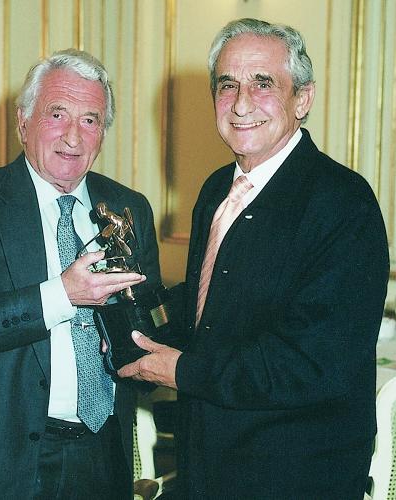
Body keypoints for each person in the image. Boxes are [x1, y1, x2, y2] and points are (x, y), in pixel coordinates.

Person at [118, 18, 390, 499]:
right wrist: (129, 317)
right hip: (208, 464)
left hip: (295, 476)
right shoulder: (216, 190)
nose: (241, 104)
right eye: (228, 85)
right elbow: (212, 307)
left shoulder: (342, 202)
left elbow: (316, 362)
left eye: (263, 83)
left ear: (302, 99)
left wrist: (182, 371)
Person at [0, 49, 161, 499]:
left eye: (90, 120)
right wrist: (63, 295)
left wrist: (129, 343)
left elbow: (147, 321)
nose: (73, 136)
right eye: (57, 114)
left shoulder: (129, 208)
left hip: (101, 453)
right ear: (23, 122)